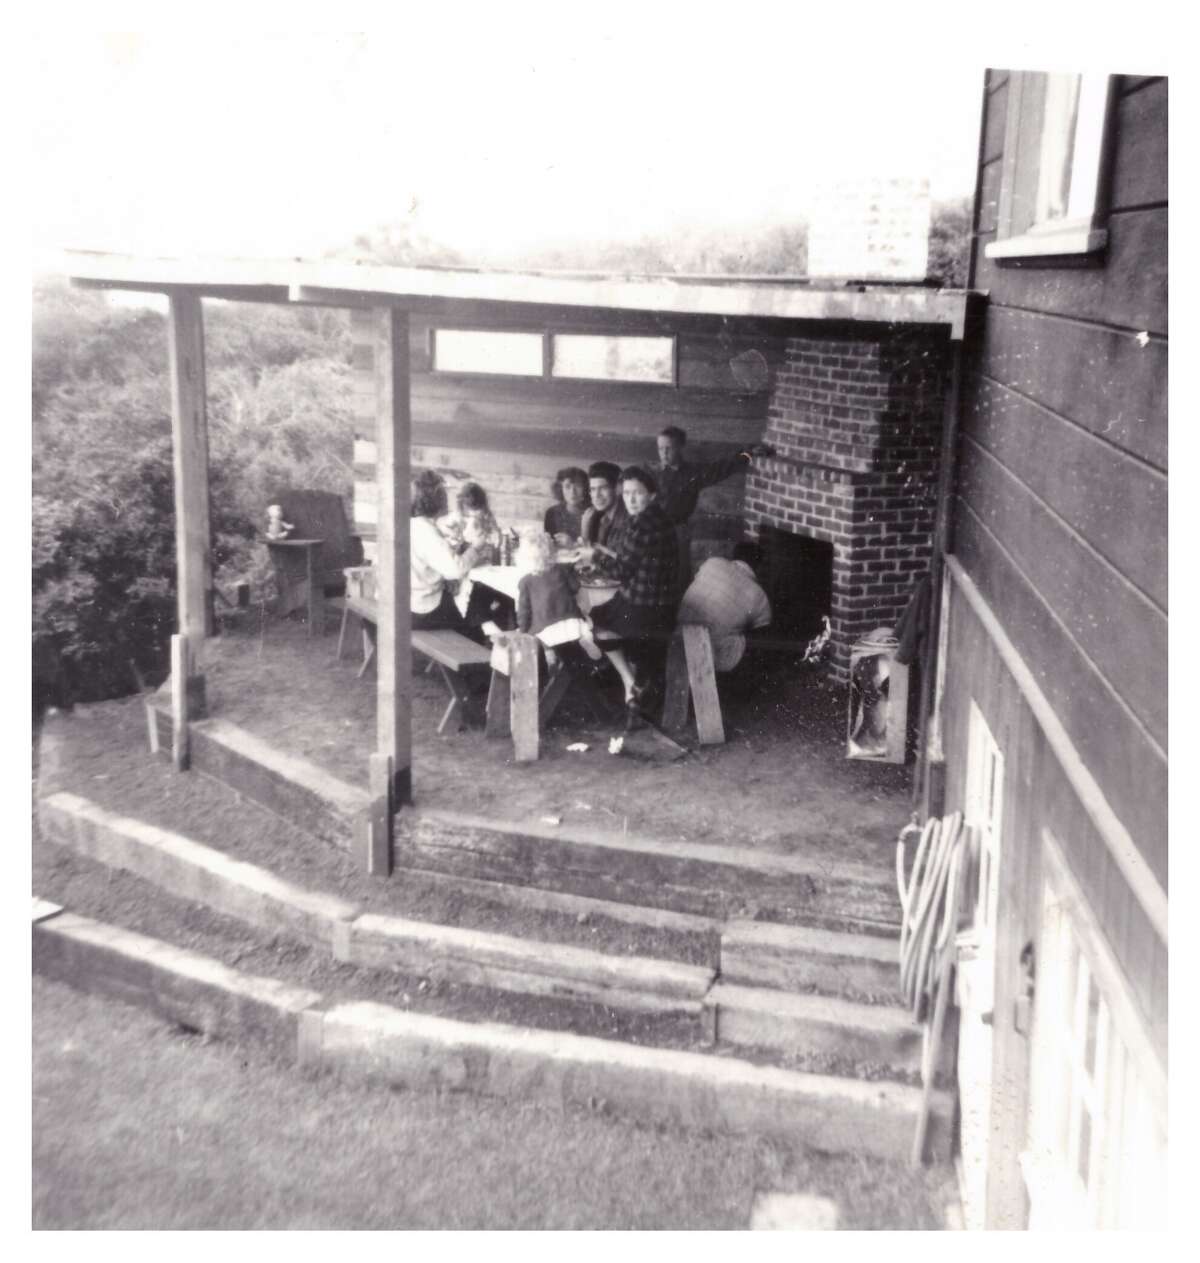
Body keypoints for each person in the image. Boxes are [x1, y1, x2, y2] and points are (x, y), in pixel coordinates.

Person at [578, 466, 679, 716]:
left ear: (652, 495)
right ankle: (632, 681)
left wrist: (593, 557)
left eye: (637, 493)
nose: (631, 500)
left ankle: (628, 680)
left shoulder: (641, 523)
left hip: (642, 609)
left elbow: (621, 570)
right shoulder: (660, 519)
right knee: (603, 614)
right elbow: (633, 560)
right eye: (626, 494)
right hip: (663, 606)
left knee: (593, 619)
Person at [653, 425, 774, 583]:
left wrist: (748, 453)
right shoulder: (654, 473)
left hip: (678, 533)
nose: (664, 453)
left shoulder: (692, 473)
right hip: (653, 531)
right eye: (660, 448)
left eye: (669, 448)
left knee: (679, 576)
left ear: (680, 447)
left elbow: (723, 468)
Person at [676, 541, 773, 673]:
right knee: (753, 639)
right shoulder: (759, 595)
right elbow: (762, 635)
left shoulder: (712, 563)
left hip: (680, 635)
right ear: (759, 566)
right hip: (712, 654)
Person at [410, 469, 487, 633]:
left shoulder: (412, 525)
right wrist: (477, 547)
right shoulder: (425, 531)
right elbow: (455, 570)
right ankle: (476, 651)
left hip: (402, 603)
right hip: (419, 610)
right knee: (474, 620)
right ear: (436, 500)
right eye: (444, 494)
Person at [515, 532, 602, 670]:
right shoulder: (561, 570)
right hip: (571, 620)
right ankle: (586, 639)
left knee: (539, 632)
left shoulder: (525, 582)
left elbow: (524, 611)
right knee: (584, 625)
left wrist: (523, 629)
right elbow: (575, 587)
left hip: (546, 626)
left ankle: (550, 656)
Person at [439, 481, 501, 564]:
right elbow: (445, 531)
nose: (475, 514)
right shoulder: (457, 516)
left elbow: (495, 533)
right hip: (466, 558)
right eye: (471, 511)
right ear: (462, 506)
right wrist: (453, 534)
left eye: (478, 510)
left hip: (484, 557)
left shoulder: (487, 516)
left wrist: (496, 537)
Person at [580, 461, 627, 548]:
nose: (597, 495)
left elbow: (615, 559)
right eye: (593, 489)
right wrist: (585, 528)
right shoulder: (600, 518)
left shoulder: (627, 520)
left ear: (617, 489)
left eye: (603, 488)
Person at [543, 467, 590, 544]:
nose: (572, 492)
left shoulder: (593, 514)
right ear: (560, 489)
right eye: (567, 486)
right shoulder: (552, 513)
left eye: (578, 486)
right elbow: (548, 544)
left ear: (586, 489)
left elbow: (595, 549)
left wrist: (572, 544)